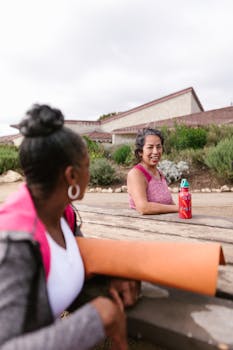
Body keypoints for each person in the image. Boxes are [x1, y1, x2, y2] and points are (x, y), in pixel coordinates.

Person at [0, 104, 140, 350]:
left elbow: (73, 258)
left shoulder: (61, 214)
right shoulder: (15, 245)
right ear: (71, 176)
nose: (90, 174)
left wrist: (109, 276)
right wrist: (95, 318)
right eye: (86, 166)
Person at [127, 128, 178, 215]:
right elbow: (143, 208)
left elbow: (169, 204)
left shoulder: (159, 174)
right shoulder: (136, 174)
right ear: (140, 152)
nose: (155, 152)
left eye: (158, 147)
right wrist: (178, 208)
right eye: (150, 147)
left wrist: (182, 207)